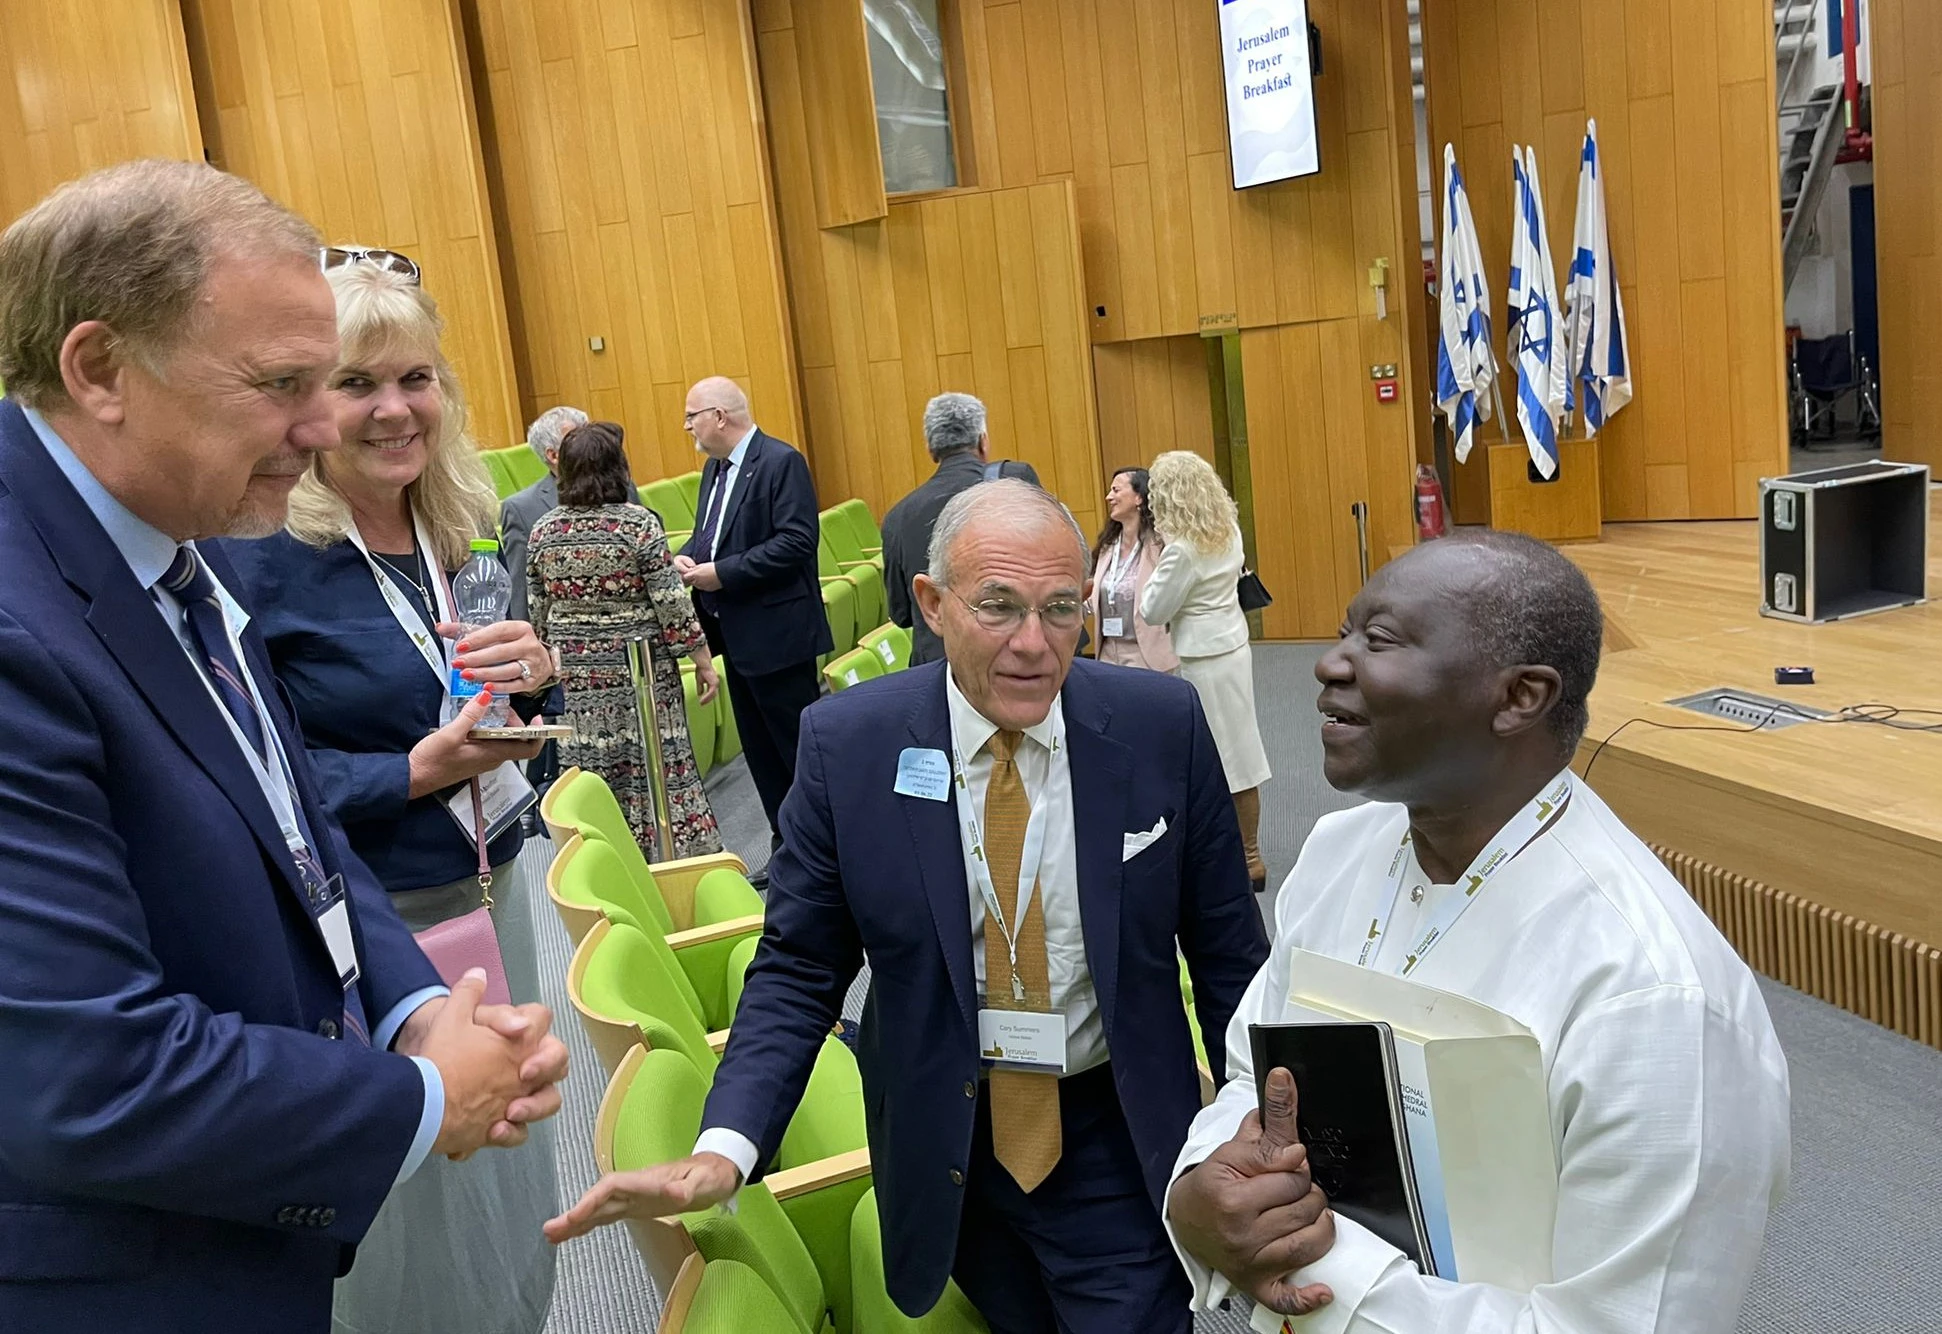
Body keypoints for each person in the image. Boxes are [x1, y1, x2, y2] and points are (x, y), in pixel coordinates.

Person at [0, 160, 567, 1332]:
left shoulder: (173, 536)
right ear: (100, 369)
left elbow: (292, 823)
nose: (323, 433)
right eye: (285, 384)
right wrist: (415, 1092)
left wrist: (412, 1003)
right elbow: (88, 1076)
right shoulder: (22, 622)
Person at [547, 480, 1271, 1334]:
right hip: (944, 1143)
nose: (1035, 644)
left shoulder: (1160, 724)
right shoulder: (849, 745)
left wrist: (1257, 1110)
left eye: (1062, 609)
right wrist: (727, 1145)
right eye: (998, 607)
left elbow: (1230, 954)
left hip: (1113, 1131)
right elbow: (799, 968)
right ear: (932, 603)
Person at [1164, 532, 1791, 1332]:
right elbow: (1255, 1077)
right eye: (1345, 631)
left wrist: (1316, 1262)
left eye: (1380, 640)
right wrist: (1200, 1186)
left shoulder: (1653, 996)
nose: (1329, 662)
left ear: (1519, 697)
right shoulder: (1336, 853)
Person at [219, 251, 563, 1334]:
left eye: (414, 378)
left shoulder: (457, 526)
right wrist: (408, 772)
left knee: (509, 1156)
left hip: (492, 882)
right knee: (416, 1200)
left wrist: (531, 676)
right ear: (308, 405)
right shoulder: (258, 556)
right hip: (378, 927)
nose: (392, 408)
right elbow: (245, 768)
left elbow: (472, 700)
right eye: (358, 382)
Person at [528, 420, 725, 860]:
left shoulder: (544, 531)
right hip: (643, 674)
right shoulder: (638, 525)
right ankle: (671, 864)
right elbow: (671, 603)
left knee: (593, 776)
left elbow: (538, 612)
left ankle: (606, 864)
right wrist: (704, 660)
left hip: (580, 680)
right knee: (656, 769)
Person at [672, 376, 829, 849]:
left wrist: (721, 573)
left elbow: (798, 542)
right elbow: (710, 537)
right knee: (761, 756)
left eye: (691, 416)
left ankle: (823, 849)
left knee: (796, 755)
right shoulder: (714, 471)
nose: (686, 427)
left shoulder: (780, 462)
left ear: (719, 416)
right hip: (735, 639)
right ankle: (787, 848)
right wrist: (688, 556)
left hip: (778, 639)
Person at [1139, 451, 1271, 891]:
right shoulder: (1227, 531)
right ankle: (1247, 851)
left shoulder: (1181, 551)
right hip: (1231, 645)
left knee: (1227, 759)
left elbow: (1153, 609)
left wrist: (1159, 560)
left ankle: (1247, 856)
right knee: (1239, 750)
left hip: (1203, 660)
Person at [883, 392, 1041, 667]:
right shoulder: (1016, 480)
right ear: (982, 441)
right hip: (1019, 655)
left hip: (942, 669)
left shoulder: (897, 517)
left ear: (932, 450)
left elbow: (901, 614)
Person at [501, 404, 587, 622]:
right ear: (553, 455)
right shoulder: (521, 509)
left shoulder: (623, 487)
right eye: (579, 437)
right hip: (565, 637)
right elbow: (521, 588)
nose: (592, 442)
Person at [1088, 466, 1176, 673]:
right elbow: (1096, 595)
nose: (1108, 497)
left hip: (1147, 655)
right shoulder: (1108, 546)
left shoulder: (1161, 544)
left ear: (1139, 498)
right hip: (1108, 653)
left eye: (1116, 490)